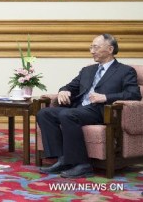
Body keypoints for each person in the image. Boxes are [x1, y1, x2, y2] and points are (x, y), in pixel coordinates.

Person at [37, 34, 141, 178]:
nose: (92, 51)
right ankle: (62, 159)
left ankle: (82, 165)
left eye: (95, 47)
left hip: (101, 110)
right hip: (80, 108)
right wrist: (63, 91)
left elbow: (134, 94)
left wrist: (105, 97)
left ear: (110, 49)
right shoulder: (88, 70)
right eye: (91, 47)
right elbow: (70, 86)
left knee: (67, 114)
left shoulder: (125, 71)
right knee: (44, 113)